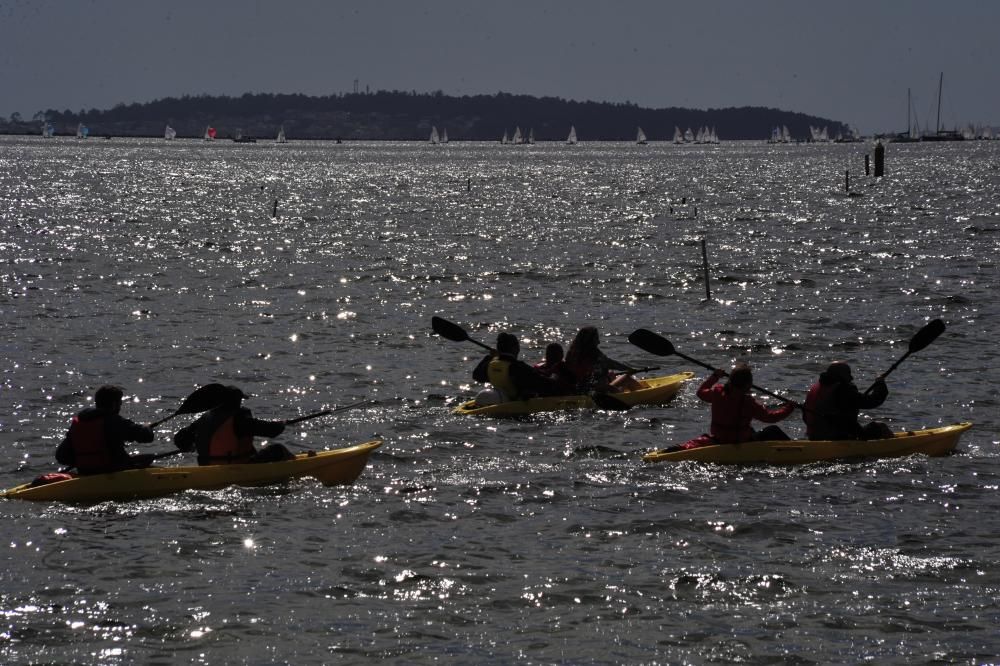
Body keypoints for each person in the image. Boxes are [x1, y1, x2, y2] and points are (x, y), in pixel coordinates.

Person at [676, 364, 795, 450]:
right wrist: (789, 408)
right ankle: (797, 450)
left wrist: (715, 376)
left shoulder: (718, 393)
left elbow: (701, 392)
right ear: (748, 385)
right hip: (740, 442)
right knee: (773, 430)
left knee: (752, 430)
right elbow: (769, 418)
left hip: (719, 438)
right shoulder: (748, 402)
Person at [173, 386, 293, 465]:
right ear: (237, 402)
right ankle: (298, 465)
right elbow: (272, 431)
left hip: (207, 468)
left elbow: (180, 439)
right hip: (235, 469)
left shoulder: (203, 419)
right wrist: (281, 424)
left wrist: (190, 446)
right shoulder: (239, 420)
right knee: (278, 449)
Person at [55, 385, 156, 475]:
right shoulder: (114, 421)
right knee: (147, 459)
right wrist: (146, 427)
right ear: (114, 404)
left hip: (85, 473)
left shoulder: (79, 422)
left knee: (140, 459)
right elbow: (147, 437)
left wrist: (86, 461)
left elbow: (61, 456)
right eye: (119, 403)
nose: (120, 407)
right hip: (113, 473)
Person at [803, 361, 892, 440]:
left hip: (814, 437)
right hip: (838, 438)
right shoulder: (842, 389)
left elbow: (805, 417)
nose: (851, 378)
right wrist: (880, 384)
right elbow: (873, 401)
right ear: (841, 375)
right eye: (848, 374)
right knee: (881, 427)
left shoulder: (815, 388)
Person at [471, 332, 562, 403]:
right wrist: (554, 375)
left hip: (498, 398)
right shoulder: (518, 367)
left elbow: (476, 376)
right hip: (515, 403)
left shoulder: (489, 364)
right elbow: (547, 385)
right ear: (515, 349)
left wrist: (489, 357)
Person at [563, 326, 641, 393]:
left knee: (610, 373)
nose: (599, 342)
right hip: (597, 392)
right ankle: (644, 392)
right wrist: (629, 369)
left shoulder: (572, 353)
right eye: (596, 339)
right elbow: (611, 363)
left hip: (578, 390)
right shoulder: (594, 354)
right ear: (590, 341)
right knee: (627, 378)